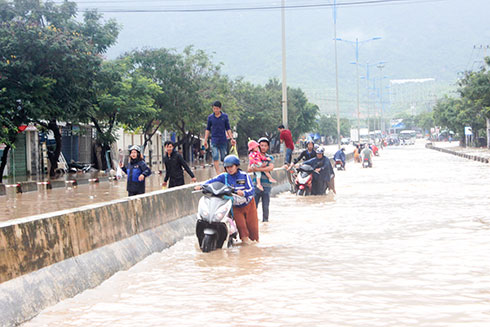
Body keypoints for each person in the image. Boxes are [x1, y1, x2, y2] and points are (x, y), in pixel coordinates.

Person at [196, 155, 258, 243]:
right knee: (242, 230)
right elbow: (211, 181)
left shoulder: (244, 176)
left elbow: (252, 189)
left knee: (254, 232)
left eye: (231, 166)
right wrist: (201, 186)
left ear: (236, 166)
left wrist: (244, 193)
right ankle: (245, 244)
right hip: (235, 207)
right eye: (227, 167)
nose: (230, 169)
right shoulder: (224, 177)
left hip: (249, 205)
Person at [203, 101, 236, 175]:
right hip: (214, 139)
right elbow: (207, 129)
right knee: (215, 155)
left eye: (217, 109)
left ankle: (225, 171)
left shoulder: (225, 117)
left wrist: (231, 138)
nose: (215, 110)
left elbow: (228, 128)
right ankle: (217, 172)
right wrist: (205, 140)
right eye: (214, 108)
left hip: (223, 140)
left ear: (220, 108)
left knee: (223, 157)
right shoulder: (210, 117)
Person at [248, 137, 275, 223]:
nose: (263, 147)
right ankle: (253, 222)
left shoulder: (269, 157)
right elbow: (249, 169)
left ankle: (265, 221)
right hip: (256, 184)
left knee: (265, 205)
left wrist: (258, 169)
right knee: (253, 205)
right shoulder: (253, 155)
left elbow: (271, 167)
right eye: (261, 145)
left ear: (268, 147)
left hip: (267, 185)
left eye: (265, 146)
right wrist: (263, 168)